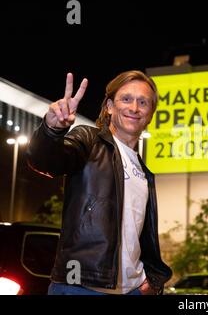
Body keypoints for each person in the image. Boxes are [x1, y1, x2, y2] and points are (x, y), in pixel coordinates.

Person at [27, 70, 172, 295]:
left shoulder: (145, 173)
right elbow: (45, 161)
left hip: (133, 290)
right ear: (109, 106)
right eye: (126, 99)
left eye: (143, 102)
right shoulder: (89, 140)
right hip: (81, 286)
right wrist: (52, 129)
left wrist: (150, 282)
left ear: (150, 113)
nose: (134, 108)